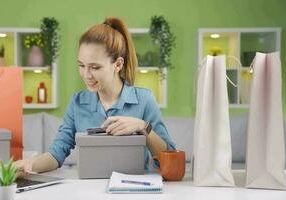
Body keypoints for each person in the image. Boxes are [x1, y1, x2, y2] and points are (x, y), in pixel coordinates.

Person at [15, 17, 175, 174]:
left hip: (132, 191)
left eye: (95, 67)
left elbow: (170, 158)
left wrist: (143, 127)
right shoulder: (77, 102)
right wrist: (29, 165)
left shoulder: (144, 100)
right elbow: (56, 154)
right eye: (81, 65)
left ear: (118, 64)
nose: (86, 75)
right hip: (88, 192)